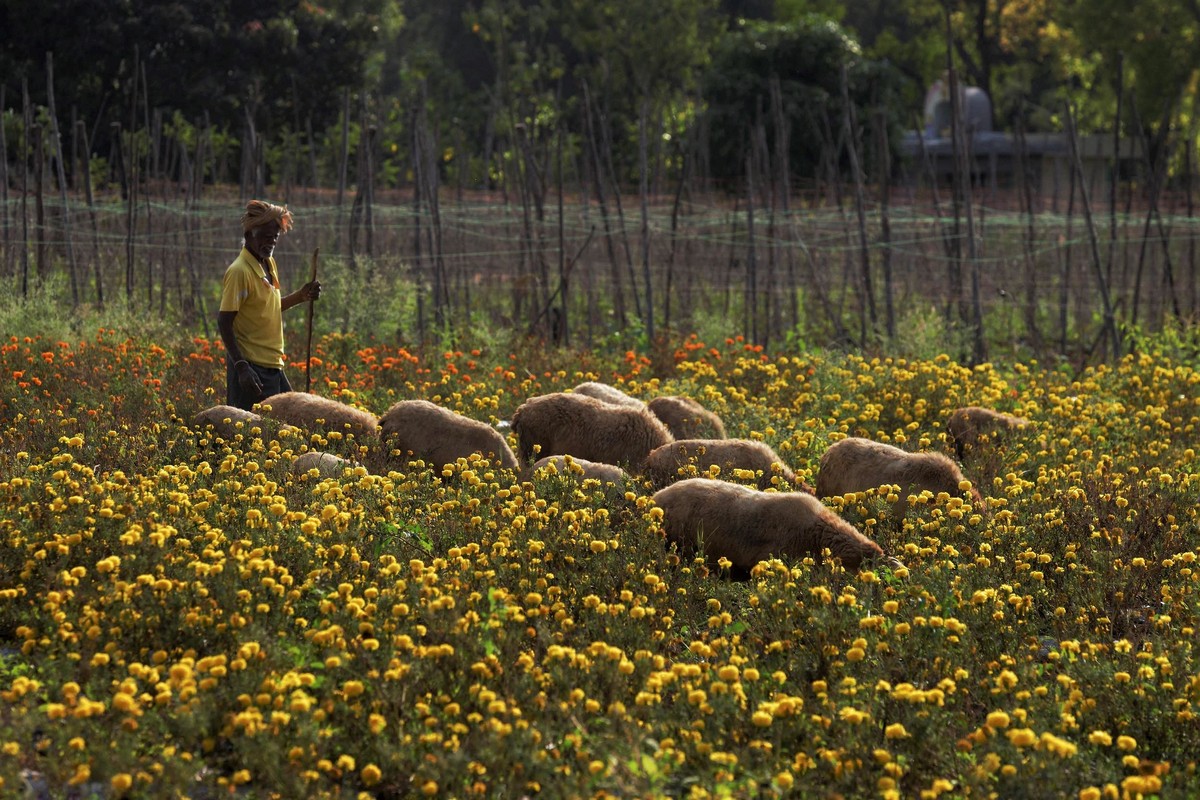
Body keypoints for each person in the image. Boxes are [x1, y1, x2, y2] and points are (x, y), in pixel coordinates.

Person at [218, 200, 321, 410]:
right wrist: (241, 366)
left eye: (274, 237)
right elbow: (224, 322)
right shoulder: (240, 272)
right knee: (252, 433)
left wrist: (302, 295)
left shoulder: (268, 263)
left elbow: (269, 307)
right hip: (252, 367)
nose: (271, 242)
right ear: (249, 235)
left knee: (292, 419)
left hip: (273, 364)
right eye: (265, 237)